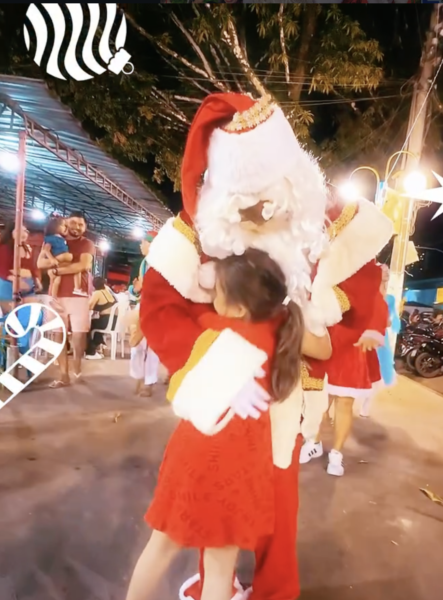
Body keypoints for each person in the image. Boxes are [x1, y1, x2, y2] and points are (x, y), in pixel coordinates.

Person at [138, 93, 330, 600]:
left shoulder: (299, 240)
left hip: (279, 403)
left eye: (272, 200)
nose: (264, 213)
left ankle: (271, 591)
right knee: (209, 527)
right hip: (219, 416)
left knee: (276, 511)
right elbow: (159, 312)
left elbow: (313, 332)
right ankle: (216, 586)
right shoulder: (193, 237)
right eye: (251, 203)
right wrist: (216, 369)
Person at [126, 249, 331, 600]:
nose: (211, 299)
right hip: (243, 467)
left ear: (237, 307)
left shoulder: (217, 334)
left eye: (217, 292)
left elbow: (179, 392)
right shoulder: (283, 332)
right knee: (221, 566)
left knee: (162, 546)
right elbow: (324, 349)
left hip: (196, 457)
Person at [299, 190, 394, 476]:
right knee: (317, 398)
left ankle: (337, 454)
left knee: (344, 401)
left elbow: (377, 305)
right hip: (322, 339)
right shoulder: (316, 262)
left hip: (352, 344)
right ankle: (313, 441)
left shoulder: (369, 270)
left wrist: (373, 330)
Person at [37, 211, 95, 388]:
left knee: (79, 335)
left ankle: (77, 368)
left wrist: (56, 270)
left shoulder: (86, 243)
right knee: (57, 333)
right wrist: (59, 265)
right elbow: (40, 263)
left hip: (79, 294)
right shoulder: (53, 240)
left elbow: (83, 265)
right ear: (65, 224)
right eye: (73, 223)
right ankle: (63, 375)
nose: (77, 227)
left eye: (81, 224)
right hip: (56, 294)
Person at [360, 265, 400, 417]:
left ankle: (365, 406)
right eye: (383, 271)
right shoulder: (367, 295)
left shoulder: (390, 298)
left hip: (381, 339)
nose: (387, 273)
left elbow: (391, 320)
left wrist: (387, 322)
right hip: (366, 336)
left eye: (388, 271)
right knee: (361, 372)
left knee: (377, 376)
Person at [129, 231, 161, 397]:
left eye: (144, 242)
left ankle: (149, 382)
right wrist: (135, 290)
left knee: (151, 347)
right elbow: (138, 287)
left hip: (156, 306)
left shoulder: (161, 263)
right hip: (143, 304)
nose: (141, 245)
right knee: (137, 345)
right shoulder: (144, 262)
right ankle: (139, 378)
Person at [0, 220, 42, 314]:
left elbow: (32, 267)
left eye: (25, 231)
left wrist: (36, 279)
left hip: (27, 285)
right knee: (12, 318)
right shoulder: (3, 248)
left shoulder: (27, 248)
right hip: (8, 286)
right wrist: (15, 280)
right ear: (11, 232)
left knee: (32, 314)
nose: (24, 233)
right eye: (19, 230)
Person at [39, 214, 86, 298]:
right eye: (64, 226)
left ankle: (56, 296)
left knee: (59, 279)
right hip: (58, 261)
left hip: (63, 262)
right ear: (55, 227)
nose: (66, 228)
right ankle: (54, 296)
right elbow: (46, 250)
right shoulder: (51, 239)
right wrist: (52, 259)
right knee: (56, 280)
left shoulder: (61, 238)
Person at [85, 276, 117, 360]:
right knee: (94, 325)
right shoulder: (107, 291)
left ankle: (91, 351)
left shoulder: (97, 293)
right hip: (114, 321)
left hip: (105, 321)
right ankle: (100, 344)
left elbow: (89, 306)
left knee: (86, 327)